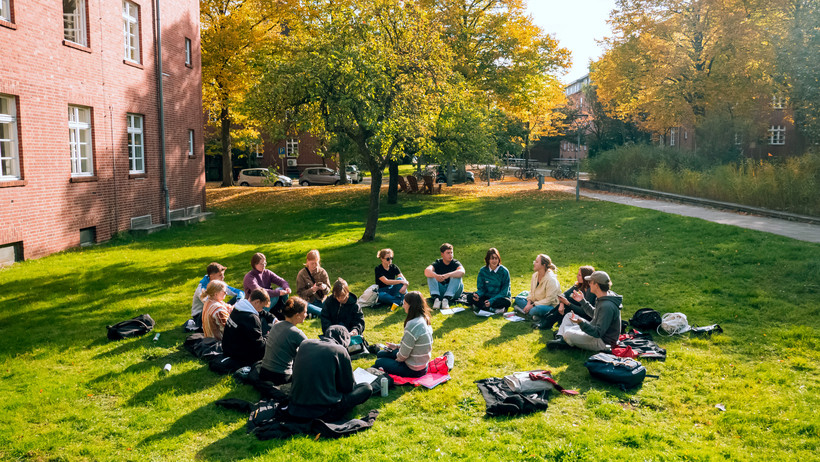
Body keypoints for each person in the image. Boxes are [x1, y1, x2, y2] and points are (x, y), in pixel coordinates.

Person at [288, 325, 373, 421]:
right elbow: (348, 387)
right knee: (366, 388)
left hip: (295, 407)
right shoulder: (339, 350)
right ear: (344, 339)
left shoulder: (305, 344)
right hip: (324, 411)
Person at [548, 271, 623, 352]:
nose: (589, 284)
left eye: (590, 282)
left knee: (568, 334)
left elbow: (598, 333)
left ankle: (564, 338)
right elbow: (596, 314)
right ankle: (561, 339)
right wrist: (582, 301)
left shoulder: (606, 306)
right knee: (568, 316)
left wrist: (581, 323)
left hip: (602, 342)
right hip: (595, 331)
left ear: (596, 285)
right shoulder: (604, 296)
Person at [374, 291, 433, 378]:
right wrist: (396, 346)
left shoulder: (413, 324)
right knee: (381, 353)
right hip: (423, 366)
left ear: (411, 305)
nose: (403, 306)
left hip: (413, 370)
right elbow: (412, 344)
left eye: (405, 303)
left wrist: (397, 359)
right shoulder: (424, 318)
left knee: (379, 361)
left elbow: (403, 356)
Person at [260, 297, 309, 385]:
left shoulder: (276, 325)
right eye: (305, 312)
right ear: (297, 315)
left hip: (264, 373)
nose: (306, 314)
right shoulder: (296, 333)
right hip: (281, 377)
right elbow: (312, 350)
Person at [222, 289, 275, 366]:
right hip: (239, 355)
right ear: (257, 302)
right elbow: (259, 346)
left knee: (267, 325)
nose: (262, 309)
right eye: (262, 306)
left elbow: (262, 312)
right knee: (273, 342)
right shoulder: (251, 318)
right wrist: (271, 335)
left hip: (228, 347)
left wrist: (273, 320)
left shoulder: (239, 307)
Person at [188, 262, 244, 331]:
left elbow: (240, 292)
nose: (223, 277)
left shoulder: (219, 284)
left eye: (223, 275)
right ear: (211, 276)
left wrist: (239, 301)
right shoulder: (202, 289)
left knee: (240, 299)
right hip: (201, 315)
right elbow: (212, 304)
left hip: (216, 309)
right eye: (220, 275)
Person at [513, 254, 562, 329]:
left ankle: (527, 312)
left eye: (536, 262)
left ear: (543, 265)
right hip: (536, 301)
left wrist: (532, 305)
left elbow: (549, 300)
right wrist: (528, 303)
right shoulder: (535, 275)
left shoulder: (551, 280)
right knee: (518, 298)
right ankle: (534, 315)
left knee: (534, 310)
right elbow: (531, 292)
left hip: (550, 306)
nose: (534, 263)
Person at [243, 252, 291, 320]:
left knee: (281, 290)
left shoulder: (267, 272)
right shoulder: (249, 277)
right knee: (276, 293)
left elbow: (281, 281)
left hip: (267, 298)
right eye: (261, 264)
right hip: (256, 303)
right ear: (255, 264)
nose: (264, 265)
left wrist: (286, 287)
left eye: (265, 263)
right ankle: (262, 317)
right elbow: (260, 291)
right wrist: (277, 293)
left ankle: (281, 312)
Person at [464, 248, 511, 313]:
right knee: (470, 297)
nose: (494, 261)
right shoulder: (483, 271)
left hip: (499, 297)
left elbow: (504, 292)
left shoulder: (504, 271)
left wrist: (491, 301)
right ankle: (493, 309)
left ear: (499, 259)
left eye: (496, 258)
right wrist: (478, 295)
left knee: (507, 302)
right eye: (492, 258)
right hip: (487, 296)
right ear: (488, 259)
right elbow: (481, 288)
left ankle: (483, 307)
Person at [424, 243, 465, 310]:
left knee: (457, 274)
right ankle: (436, 299)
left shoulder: (455, 263)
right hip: (441, 291)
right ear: (442, 254)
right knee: (430, 274)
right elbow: (427, 271)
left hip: (455, 292)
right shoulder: (438, 263)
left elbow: (462, 272)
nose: (450, 255)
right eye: (448, 253)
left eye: (451, 252)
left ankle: (446, 299)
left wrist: (448, 275)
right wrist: (436, 276)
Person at [295, 249, 329, 317]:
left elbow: (328, 290)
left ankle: (316, 313)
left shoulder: (322, 272)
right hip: (309, 302)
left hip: (321, 301)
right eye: (312, 263)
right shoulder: (302, 274)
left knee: (332, 298)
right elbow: (300, 294)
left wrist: (324, 287)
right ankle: (323, 313)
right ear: (307, 262)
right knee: (302, 304)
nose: (314, 265)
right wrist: (312, 290)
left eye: (316, 263)